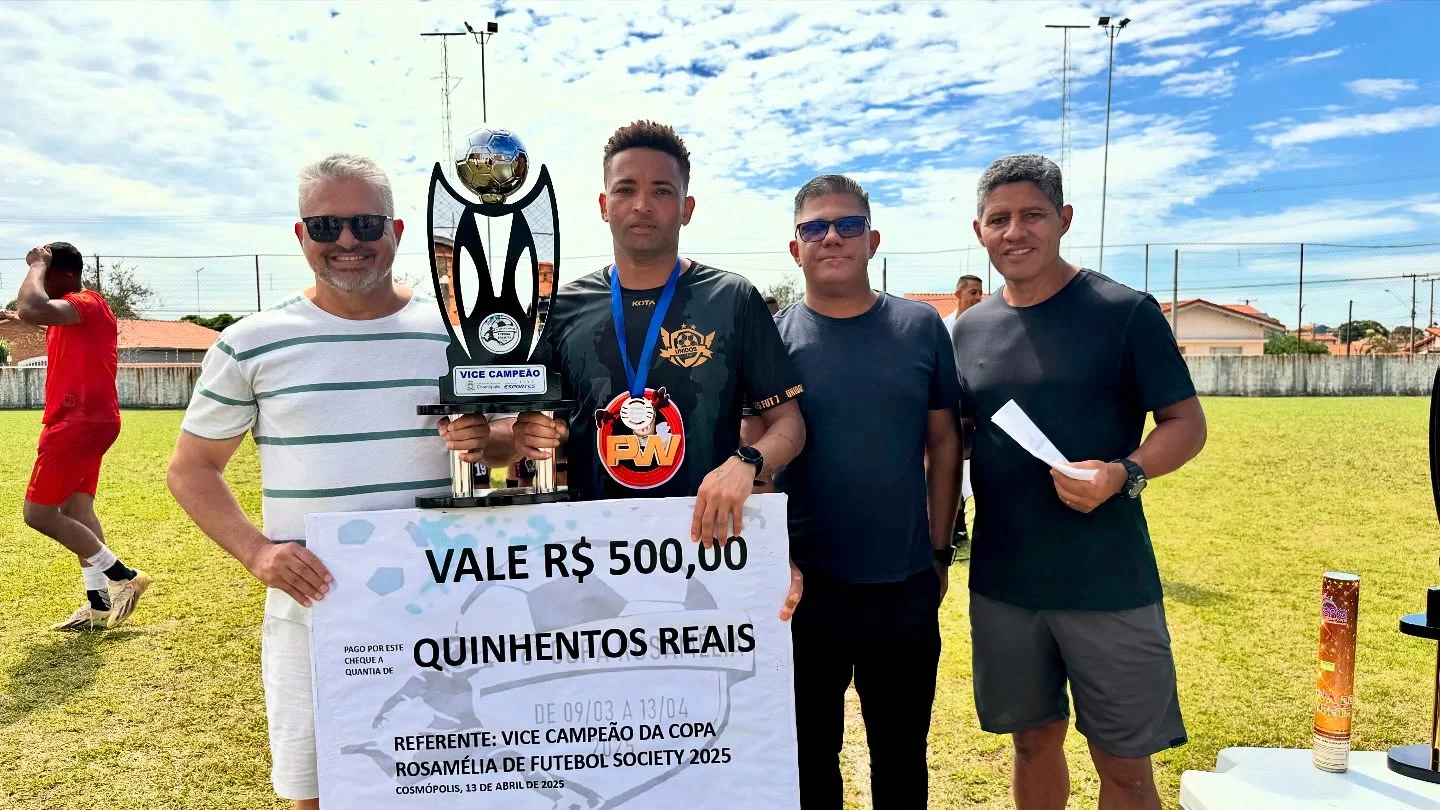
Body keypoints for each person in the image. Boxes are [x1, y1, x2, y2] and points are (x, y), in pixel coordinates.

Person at [166, 153, 490, 810]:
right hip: (315, 612)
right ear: (300, 234)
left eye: (365, 224)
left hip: (448, 608)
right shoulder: (252, 342)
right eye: (325, 226)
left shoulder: (456, 333)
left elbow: (506, 443)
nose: (346, 241)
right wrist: (257, 552)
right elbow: (191, 469)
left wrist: (493, 441)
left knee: (456, 786)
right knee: (317, 792)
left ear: (396, 230)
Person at [951, 153, 1207, 810]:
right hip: (1005, 584)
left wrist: (1124, 473)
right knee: (1032, 743)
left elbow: (1186, 423)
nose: (1015, 232)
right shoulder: (968, 330)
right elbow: (956, 437)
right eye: (998, 219)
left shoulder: (1123, 312)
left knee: (1124, 764)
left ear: (1064, 219)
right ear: (979, 231)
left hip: (1107, 581)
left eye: (1032, 215)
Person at [478, 120, 806, 612]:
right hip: (594, 558)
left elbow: (788, 425)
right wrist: (510, 436)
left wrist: (748, 461)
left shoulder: (732, 298)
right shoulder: (561, 309)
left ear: (686, 208)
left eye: (662, 190)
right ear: (603, 204)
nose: (642, 205)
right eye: (626, 189)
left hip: (708, 550)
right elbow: (518, 433)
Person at [765, 175, 961, 808]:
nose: (832, 237)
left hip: (903, 583)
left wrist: (938, 551)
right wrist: (771, 559)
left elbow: (945, 444)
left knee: (901, 757)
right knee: (807, 759)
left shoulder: (920, 326)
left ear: (872, 240)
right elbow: (753, 454)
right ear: (795, 247)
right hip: (804, 590)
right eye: (815, 227)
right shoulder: (772, 339)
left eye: (848, 224)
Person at [16, 241, 150, 631]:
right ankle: (99, 605)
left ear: (66, 275)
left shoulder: (86, 302)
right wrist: (17, 314)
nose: (40, 281)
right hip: (89, 420)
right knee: (77, 510)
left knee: (39, 514)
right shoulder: (74, 313)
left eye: (46, 273)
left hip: (78, 422)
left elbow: (31, 307)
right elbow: (33, 314)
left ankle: (124, 576)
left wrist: (37, 263)